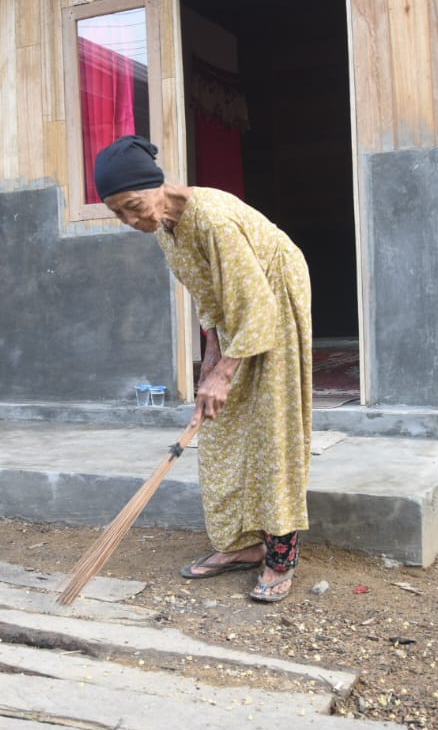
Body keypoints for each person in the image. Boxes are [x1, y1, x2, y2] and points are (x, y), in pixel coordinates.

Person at [93, 135, 312, 603]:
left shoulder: (212, 218)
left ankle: (281, 555)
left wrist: (225, 373)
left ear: (156, 185)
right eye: (119, 214)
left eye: (134, 206)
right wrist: (210, 363)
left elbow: (258, 306)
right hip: (241, 310)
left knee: (272, 430)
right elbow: (210, 296)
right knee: (219, 425)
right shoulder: (167, 229)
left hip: (275, 299)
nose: (133, 221)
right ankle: (241, 544)